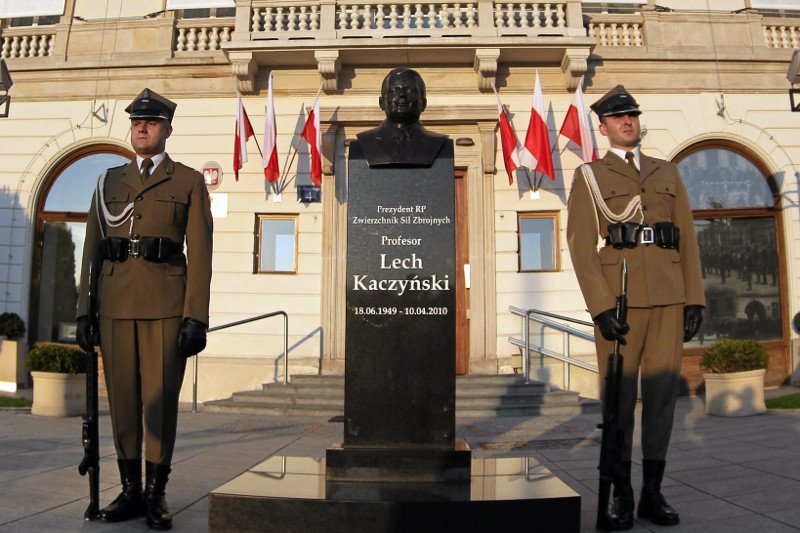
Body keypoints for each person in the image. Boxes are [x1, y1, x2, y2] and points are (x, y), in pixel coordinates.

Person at [566, 85, 705, 530]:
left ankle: (651, 493)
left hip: (668, 296)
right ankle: (620, 494)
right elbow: (580, 246)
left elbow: (687, 235)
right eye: (619, 118)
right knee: (619, 402)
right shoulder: (590, 175)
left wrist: (695, 297)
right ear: (603, 127)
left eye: (633, 116)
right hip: (620, 303)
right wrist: (601, 307)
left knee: (663, 398)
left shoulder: (667, 171)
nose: (628, 122)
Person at [75, 88, 213, 530]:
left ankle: (155, 494)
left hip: (166, 305)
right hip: (115, 303)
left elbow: (202, 253)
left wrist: (196, 316)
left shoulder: (187, 181)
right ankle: (130, 490)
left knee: (159, 402)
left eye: (151, 122)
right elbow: (91, 249)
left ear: (167, 130)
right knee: (122, 400)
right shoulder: (108, 181)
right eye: (137, 121)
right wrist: (83, 311)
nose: (142, 127)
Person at [356, 67, 447, 167]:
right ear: (381, 102)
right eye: (394, 90)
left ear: (424, 103)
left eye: (410, 90)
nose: (402, 95)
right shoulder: (365, 142)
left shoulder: (439, 144)